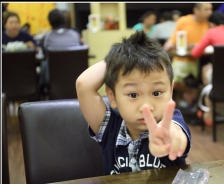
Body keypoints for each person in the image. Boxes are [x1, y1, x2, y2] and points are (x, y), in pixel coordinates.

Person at [76, 31, 191, 175]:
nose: (146, 107)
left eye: (156, 93)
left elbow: (176, 134)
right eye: (133, 94)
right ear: (112, 96)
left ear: (171, 91)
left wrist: (170, 138)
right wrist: (118, 59)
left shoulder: (170, 122)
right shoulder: (109, 128)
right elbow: (83, 84)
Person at [191, 11, 224, 126]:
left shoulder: (212, 32)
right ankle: (208, 106)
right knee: (212, 69)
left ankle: (208, 110)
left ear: (212, 23)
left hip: (220, 77)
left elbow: (195, 53)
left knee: (206, 68)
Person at [163, 3, 213, 111]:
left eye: (211, 9)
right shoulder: (184, 21)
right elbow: (173, 39)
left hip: (198, 60)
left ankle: (194, 100)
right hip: (182, 58)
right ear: (196, 10)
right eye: (206, 9)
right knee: (174, 82)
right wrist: (168, 46)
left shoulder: (208, 24)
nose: (210, 12)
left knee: (200, 78)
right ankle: (190, 92)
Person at [39, 8, 81, 89]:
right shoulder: (75, 35)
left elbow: (44, 55)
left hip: (53, 79)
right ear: (64, 19)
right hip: (75, 76)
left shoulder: (47, 37)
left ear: (50, 22)